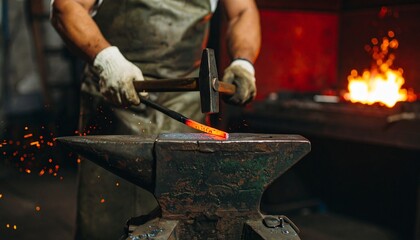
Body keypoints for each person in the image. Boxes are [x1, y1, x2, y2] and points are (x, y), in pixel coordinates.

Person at [50, 0, 261, 239]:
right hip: (113, 94)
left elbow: (242, 11)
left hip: (184, 101)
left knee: (184, 222)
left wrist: (243, 62)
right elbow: (66, 7)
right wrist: (107, 60)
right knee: (106, 223)